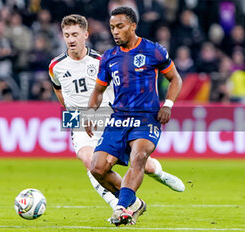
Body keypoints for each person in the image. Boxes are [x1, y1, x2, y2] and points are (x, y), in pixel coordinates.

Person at [49, 14, 184, 222]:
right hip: (79, 119)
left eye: (75, 34)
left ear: (86, 35)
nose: (70, 39)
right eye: (66, 35)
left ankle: (160, 174)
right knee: (90, 161)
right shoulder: (55, 66)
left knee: (141, 163)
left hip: (110, 117)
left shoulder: (102, 60)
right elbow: (59, 91)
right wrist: (73, 113)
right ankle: (122, 206)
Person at [86, 7, 183, 226]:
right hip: (118, 119)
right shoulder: (109, 57)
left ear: (132, 26)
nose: (115, 32)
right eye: (112, 27)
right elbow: (98, 91)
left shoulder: (154, 51)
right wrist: (91, 113)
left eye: (119, 26)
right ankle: (135, 203)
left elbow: (175, 78)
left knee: (138, 157)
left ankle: (121, 208)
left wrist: (167, 105)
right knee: (97, 168)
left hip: (147, 117)